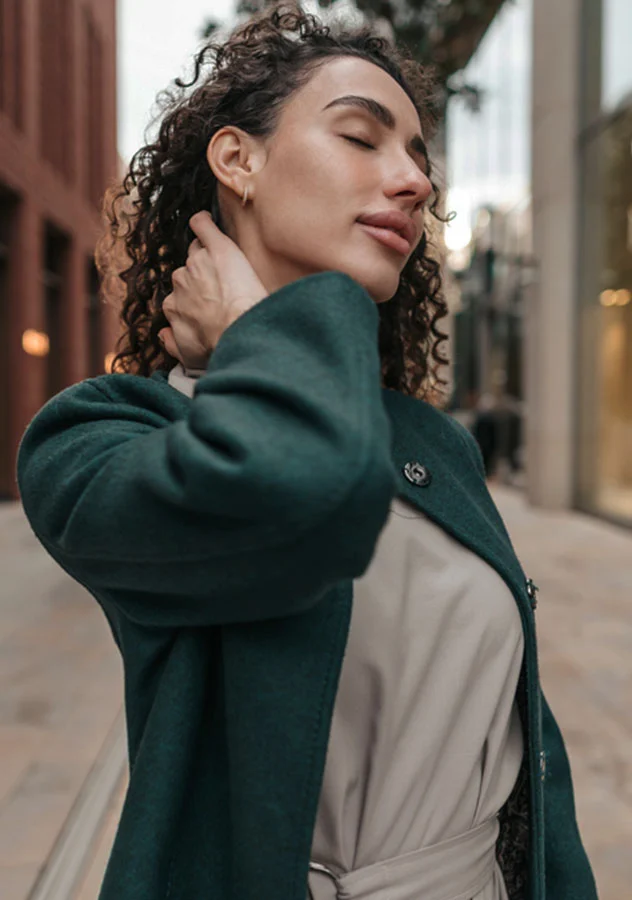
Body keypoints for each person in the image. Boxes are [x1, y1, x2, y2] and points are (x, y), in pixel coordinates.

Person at [17, 5, 597, 900]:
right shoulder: (97, 441)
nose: (411, 181)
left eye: (419, 159)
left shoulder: (432, 442)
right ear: (237, 160)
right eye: (362, 138)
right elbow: (308, 494)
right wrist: (263, 332)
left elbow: (528, 761)